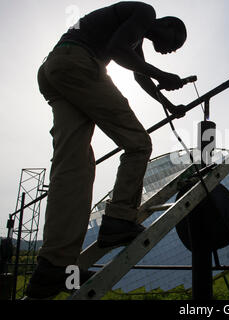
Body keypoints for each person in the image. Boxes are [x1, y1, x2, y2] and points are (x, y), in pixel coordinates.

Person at [26, 1, 189, 299]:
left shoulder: (135, 33)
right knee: (138, 143)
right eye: (174, 45)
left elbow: (139, 75)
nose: (170, 51)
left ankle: (53, 266)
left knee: (73, 168)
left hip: (54, 68)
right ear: (168, 25)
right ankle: (118, 220)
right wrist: (163, 74)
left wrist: (168, 105)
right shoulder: (145, 12)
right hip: (79, 61)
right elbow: (117, 51)